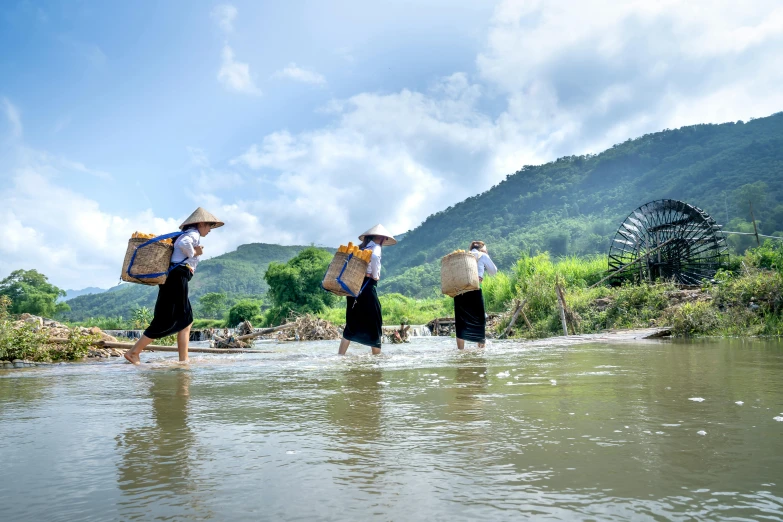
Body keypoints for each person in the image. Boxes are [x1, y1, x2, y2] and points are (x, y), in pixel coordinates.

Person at [124, 207, 224, 365]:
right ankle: (133, 352)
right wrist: (195, 252)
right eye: (209, 226)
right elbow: (185, 245)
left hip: (174, 278)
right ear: (201, 224)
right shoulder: (193, 234)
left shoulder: (186, 234)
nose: (210, 230)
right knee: (166, 319)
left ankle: (184, 359)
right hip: (177, 277)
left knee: (187, 319)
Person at [338, 224, 397, 355]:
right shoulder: (376, 247)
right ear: (381, 238)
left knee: (351, 323)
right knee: (375, 322)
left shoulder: (361, 248)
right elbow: (375, 258)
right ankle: (377, 358)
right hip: (367, 288)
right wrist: (375, 275)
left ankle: (340, 355)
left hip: (353, 289)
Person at [454, 240, 497, 350]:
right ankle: (480, 350)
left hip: (459, 293)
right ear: (482, 248)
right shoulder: (482, 255)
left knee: (461, 322)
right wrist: (486, 256)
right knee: (479, 320)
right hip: (475, 291)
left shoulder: (462, 257)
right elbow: (493, 271)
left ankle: (461, 352)